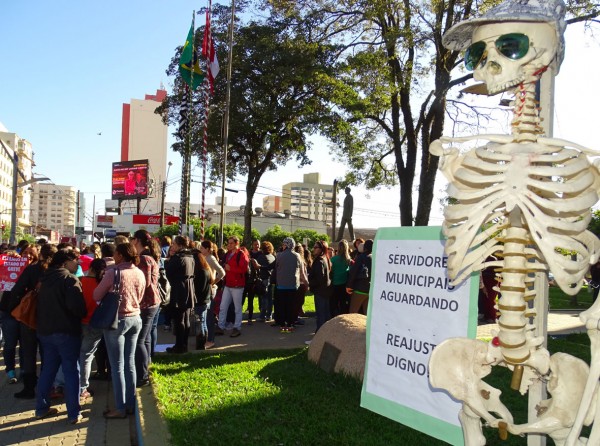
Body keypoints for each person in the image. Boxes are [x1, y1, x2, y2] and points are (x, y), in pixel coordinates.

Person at [93, 242, 145, 418]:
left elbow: (96, 295)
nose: (114, 256)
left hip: (117, 321)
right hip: (136, 318)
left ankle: (120, 408)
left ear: (121, 255)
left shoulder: (113, 273)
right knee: (130, 363)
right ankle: (130, 404)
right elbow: (141, 295)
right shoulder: (139, 272)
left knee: (117, 366)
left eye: (116, 253)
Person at [35, 249, 87, 424]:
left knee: (48, 370)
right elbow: (78, 308)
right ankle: (74, 413)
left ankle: (41, 408)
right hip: (66, 332)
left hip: (45, 331)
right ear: (65, 262)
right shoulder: (69, 279)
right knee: (71, 371)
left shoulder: (44, 278)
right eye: (75, 260)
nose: (78, 263)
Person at [12, 243, 58, 399]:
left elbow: (17, 289)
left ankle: (29, 388)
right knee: (48, 355)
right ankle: (48, 388)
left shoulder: (31, 269)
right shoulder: (58, 272)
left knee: (28, 353)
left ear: (41, 254)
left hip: (30, 316)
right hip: (50, 318)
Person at [131, 230, 161, 387]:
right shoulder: (150, 257)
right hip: (153, 302)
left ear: (137, 240)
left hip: (146, 303)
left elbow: (145, 283)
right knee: (146, 338)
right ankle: (146, 367)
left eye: (132, 239)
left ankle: (142, 376)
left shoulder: (143, 259)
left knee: (139, 341)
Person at [79, 258, 107, 399]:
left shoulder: (80, 281)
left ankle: (67, 385)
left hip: (79, 322)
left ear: (90, 268)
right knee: (86, 356)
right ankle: (82, 387)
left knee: (77, 355)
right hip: (96, 324)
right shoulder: (103, 284)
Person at [164, 236, 196, 353]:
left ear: (180, 245)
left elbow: (168, 272)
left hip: (179, 290)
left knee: (179, 320)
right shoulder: (190, 256)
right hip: (188, 288)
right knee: (185, 318)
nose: (172, 246)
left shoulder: (178, 257)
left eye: (174, 244)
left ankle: (179, 345)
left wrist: (167, 262)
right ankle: (184, 344)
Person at [215, 236, 248, 338]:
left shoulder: (241, 254)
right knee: (223, 307)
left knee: (237, 308)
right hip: (228, 284)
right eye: (228, 243)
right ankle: (221, 326)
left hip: (237, 285)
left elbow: (244, 270)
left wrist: (231, 268)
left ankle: (237, 328)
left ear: (236, 244)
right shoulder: (228, 254)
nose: (229, 245)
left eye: (231, 243)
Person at [199, 240, 225, 349]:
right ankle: (205, 339)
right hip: (205, 290)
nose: (200, 249)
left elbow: (222, 272)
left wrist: (213, 282)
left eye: (202, 248)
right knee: (204, 316)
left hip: (211, 291)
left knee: (209, 317)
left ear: (208, 249)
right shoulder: (204, 258)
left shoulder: (211, 258)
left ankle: (211, 340)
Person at [274, 237, 303, 332]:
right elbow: (300, 269)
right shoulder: (297, 256)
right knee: (291, 306)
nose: (282, 246)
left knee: (282, 305)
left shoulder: (279, 255)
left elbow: (276, 266)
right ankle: (290, 324)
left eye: (283, 244)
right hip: (293, 285)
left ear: (286, 245)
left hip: (281, 285)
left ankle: (282, 324)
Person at [192, 245, 213, 350]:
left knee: (200, 323)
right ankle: (203, 343)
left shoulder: (198, 272)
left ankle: (200, 345)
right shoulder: (206, 269)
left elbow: (197, 288)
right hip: (206, 299)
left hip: (200, 301)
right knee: (203, 322)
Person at [309, 240, 332, 332]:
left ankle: (319, 337)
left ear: (321, 249)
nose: (313, 249)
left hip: (320, 291)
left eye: (315, 247)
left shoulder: (319, 260)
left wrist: (310, 282)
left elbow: (320, 278)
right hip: (325, 290)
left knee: (321, 315)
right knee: (325, 314)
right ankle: (326, 335)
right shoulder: (325, 258)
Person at [346, 239, 373, 314]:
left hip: (359, 289)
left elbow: (353, 272)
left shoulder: (361, 257)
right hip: (370, 289)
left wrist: (349, 285)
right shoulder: (374, 257)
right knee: (366, 314)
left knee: (353, 313)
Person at [330, 240, 352, 316]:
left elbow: (330, 271)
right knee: (343, 304)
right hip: (344, 284)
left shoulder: (333, 259)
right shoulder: (349, 260)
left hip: (335, 284)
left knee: (334, 304)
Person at [256, 241, 276, 322]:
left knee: (264, 298)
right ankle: (269, 315)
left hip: (263, 279)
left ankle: (262, 315)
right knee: (270, 298)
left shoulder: (261, 257)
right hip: (271, 279)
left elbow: (258, 268)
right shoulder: (272, 257)